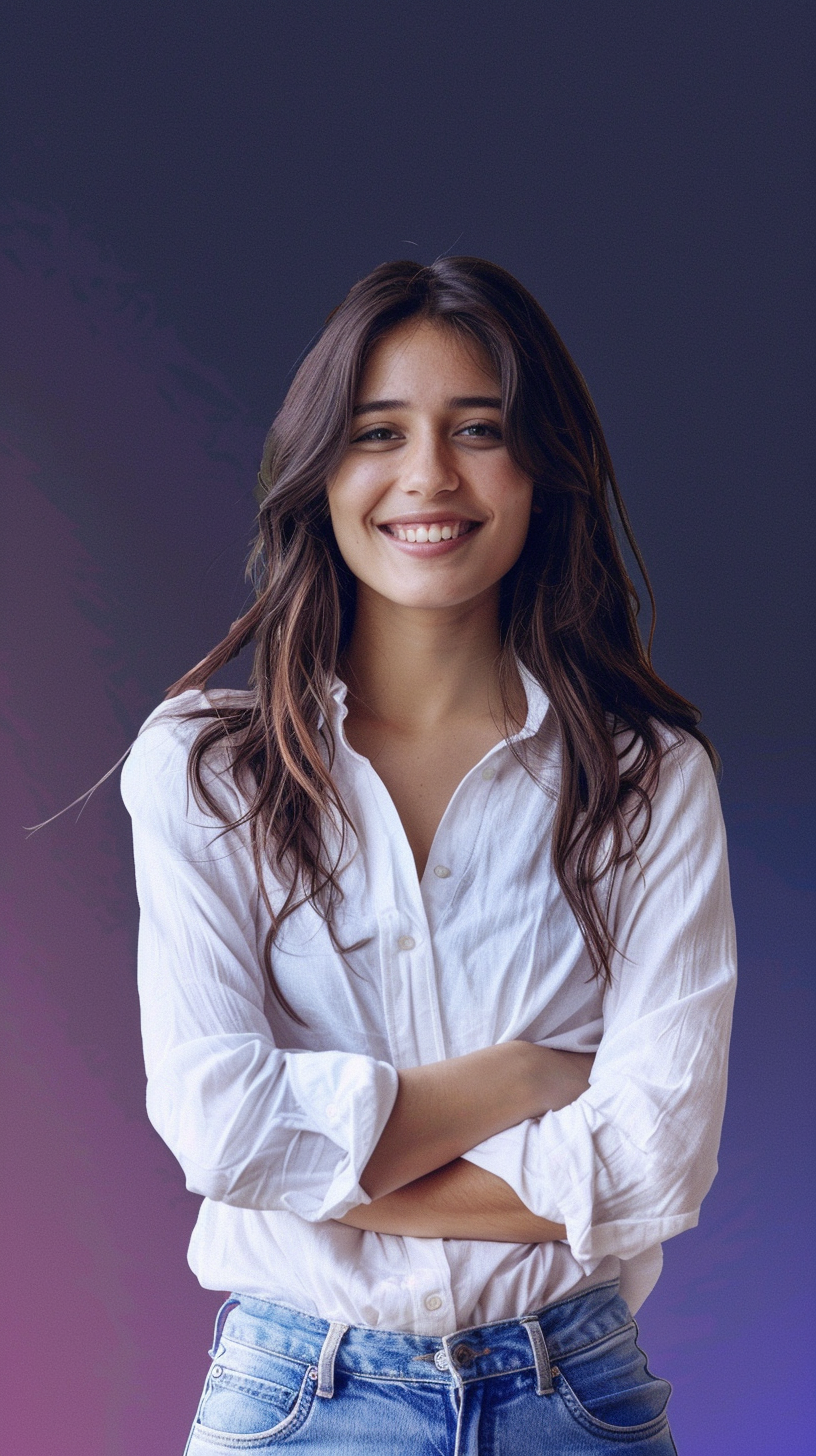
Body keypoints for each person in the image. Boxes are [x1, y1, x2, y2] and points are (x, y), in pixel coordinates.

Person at [121, 257, 736, 1454]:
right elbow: (221, 1130)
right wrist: (525, 1077)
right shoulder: (208, 768)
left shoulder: (650, 781)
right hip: (296, 1401)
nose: (428, 477)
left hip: (578, 1396)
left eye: (479, 431)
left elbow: (657, 1163)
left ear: (541, 472)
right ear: (322, 472)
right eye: (378, 432)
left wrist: (319, 1171)